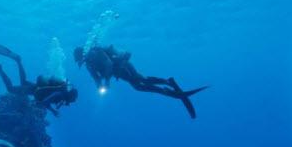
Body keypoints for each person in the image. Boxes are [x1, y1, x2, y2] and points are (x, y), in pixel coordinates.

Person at [74, 45, 207, 118]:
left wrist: (107, 82)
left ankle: (166, 84)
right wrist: (99, 87)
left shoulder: (96, 52)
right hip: (118, 72)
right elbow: (95, 78)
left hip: (123, 66)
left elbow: (108, 64)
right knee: (139, 84)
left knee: (140, 81)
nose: (82, 62)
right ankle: (167, 85)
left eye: (81, 59)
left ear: (83, 54)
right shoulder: (88, 64)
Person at [0, 40, 78, 115]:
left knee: (23, 81)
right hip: (35, 90)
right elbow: (46, 101)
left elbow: (47, 99)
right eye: (73, 100)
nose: (72, 102)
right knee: (10, 89)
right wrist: (47, 107)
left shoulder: (61, 94)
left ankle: (18, 61)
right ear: (70, 96)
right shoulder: (60, 94)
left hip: (36, 89)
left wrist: (52, 110)